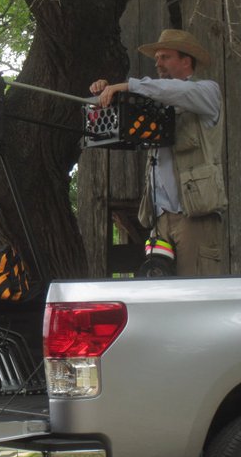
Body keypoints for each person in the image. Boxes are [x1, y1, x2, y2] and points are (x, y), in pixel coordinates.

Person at [90, 29, 226, 276]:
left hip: (193, 215)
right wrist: (107, 92)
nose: (158, 62)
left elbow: (172, 91)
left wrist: (129, 85)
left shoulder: (207, 92)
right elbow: (130, 112)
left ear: (186, 61)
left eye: (165, 57)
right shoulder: (155, 98)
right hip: (160, 218)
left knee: (193, 291)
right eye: (157, 57)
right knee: (159, 288)